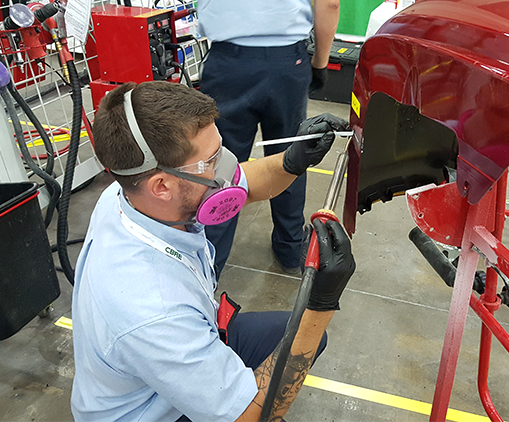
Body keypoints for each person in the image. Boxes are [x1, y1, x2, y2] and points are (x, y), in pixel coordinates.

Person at [71, 81, 355, 421]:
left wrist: (293, 160)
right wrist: (320, 305)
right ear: (162, 186)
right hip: (146, 412)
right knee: (308, 332)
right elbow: (251, 418)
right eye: (211, 162)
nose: (225, 171)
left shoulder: (129, 197)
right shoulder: (152, 309)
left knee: (304, 339)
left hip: (165, 354)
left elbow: (247, 181)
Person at [197, 0, 341, 277]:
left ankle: (205, 266)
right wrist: (320, 62)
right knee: (289, 157)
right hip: (287, 62)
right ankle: (290, 249)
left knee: (220, 166)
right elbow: (330, 3)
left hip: (228, 62)